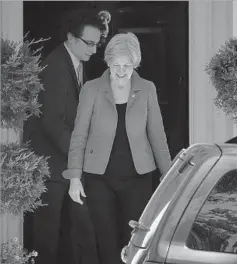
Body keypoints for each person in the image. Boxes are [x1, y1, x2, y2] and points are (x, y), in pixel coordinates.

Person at [62, 32, 172, 264]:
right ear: (108, 63)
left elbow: (158, 136)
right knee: (106, 242)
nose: (121, 71)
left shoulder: (147, 89)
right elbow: (79, 135)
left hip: (138, 179)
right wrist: (74, 177)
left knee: (134, 242)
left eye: (127, 65)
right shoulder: (92, 89)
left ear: (135, 64)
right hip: (99, 179)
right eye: (116, 65)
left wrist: (168, 177)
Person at [23, 9, 111, 264]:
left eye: (98, 44)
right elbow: (52, 122)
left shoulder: (74, 61)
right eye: (90, 43)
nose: (95, 51)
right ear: (71, 37)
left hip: (65, 165)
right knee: (47, 238)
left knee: (78, 232)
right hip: (52, 166)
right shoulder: (55, 66)